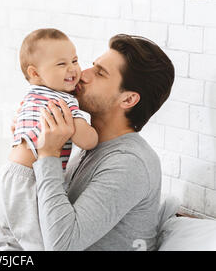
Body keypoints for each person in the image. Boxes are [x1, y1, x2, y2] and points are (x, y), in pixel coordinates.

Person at [32, 34, 175, 250]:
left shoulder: (130, 163)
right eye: (92, 66)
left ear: (128, 99)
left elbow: (62, 245)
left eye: (100, 73)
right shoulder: (91, 144)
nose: (82, 74)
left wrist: (48, 155)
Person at [0, 28, 98, 251]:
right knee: (38, 245)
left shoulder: (33, 94)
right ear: (35, 73)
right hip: (28, 182)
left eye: (75, 60)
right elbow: (88, 141)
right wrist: (96, 131)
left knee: (9, 245)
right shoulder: (63, 100)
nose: (73, 69)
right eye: (61, 64)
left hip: (4, 177)